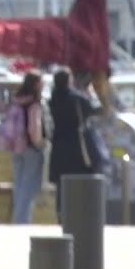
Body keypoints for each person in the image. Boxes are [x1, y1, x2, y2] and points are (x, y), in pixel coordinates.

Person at [47, 69, 101, 220]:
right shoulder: (77, 99)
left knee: (62, 183)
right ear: (69, 80)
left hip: (58, 145)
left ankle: (61, 215)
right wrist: (89, 93)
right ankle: (80, 215)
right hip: (77, 145)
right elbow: (94, 110)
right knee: (80, 180)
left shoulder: (52, 99)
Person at [8, 72, 47, 224]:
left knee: (19, 183)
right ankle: (22, 220)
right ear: (36, 84)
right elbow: (34, 127)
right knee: (29, 185)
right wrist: (40, 143)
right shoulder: (34, 104)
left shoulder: (16, 101)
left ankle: (18, 218)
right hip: (31, 148)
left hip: (16, 147)